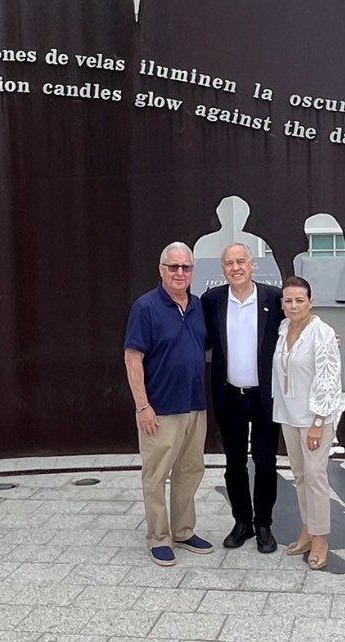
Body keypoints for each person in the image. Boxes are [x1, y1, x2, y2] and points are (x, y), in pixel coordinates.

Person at [124, 242, 213, 567]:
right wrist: (142, 406)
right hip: (159, 410)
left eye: (185, 267)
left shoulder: (199, 306)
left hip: (194, 406)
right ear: (161, 270)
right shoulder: (146, 308)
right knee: (156, 475)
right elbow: (133, 358)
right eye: (173, 267)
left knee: (190, 471)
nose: (179, 273)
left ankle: (183, 530)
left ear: (192, 271)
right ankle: (158, 537)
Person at [202, 243, 285, 552]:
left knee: (265, 464)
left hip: (265, 398)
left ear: (253, 266)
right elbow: (199, 338)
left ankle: (264, 524)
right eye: (229, 263)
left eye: (241, 261)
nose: (235, 267)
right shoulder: (212, 301)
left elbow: (297, 324)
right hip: (230, 397)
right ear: (223, 269)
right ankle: (242, 523)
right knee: (233, 464)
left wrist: (327, 337)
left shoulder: (273, 299)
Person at [273, 275, 342, 570]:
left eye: (300, 300)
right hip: (288, 415)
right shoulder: (283, 327)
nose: (294, 305)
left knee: (315, 476)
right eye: (288, 300)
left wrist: (318, 421)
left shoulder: (322, 333)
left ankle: (321, 537)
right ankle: (307, 529)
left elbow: (329, 379)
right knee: (300, 476)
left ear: (310, 302)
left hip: (315, 418)